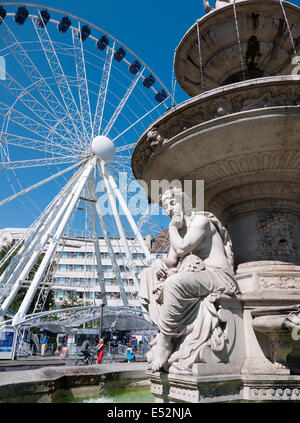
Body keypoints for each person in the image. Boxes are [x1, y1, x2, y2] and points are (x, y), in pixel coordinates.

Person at [139, 186, 238, 374]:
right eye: (166, 207)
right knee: (148, 276)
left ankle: (165, 342)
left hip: (218, 276)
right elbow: (172, 258)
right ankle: (165, 329)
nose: (169, 210)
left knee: (173, 283)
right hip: (199, 274)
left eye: (173, 203)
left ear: (185, 203)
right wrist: (160, 262)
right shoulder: (181, 229)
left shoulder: (200, 221)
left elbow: (183, 248)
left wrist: (171, 228)